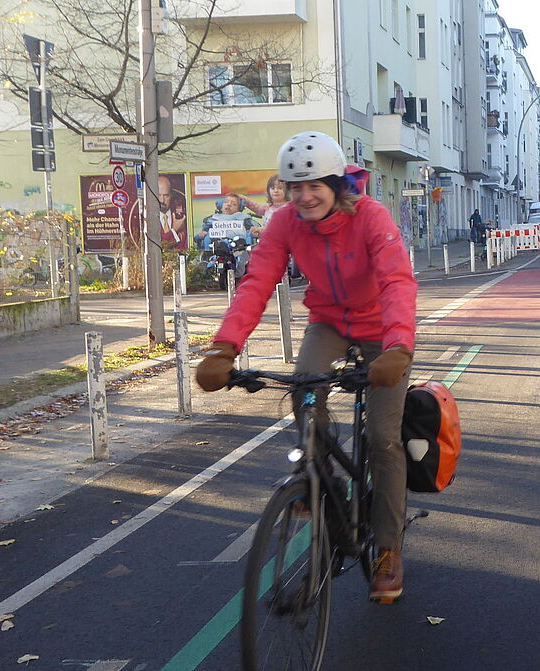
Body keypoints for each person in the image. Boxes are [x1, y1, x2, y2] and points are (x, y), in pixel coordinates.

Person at [194, 131, 417, 601]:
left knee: (382, 437)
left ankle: (389, 549)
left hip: (382, 328)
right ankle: (322, 479)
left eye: (314, 185)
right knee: (302, 389)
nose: (304, 195)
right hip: (330, 322)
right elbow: (256, 282)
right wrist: (224, 348)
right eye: (295, 187)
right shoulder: (285, 224)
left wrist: (397, 347)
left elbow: (397, 280)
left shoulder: (372, 218)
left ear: (336, 185)